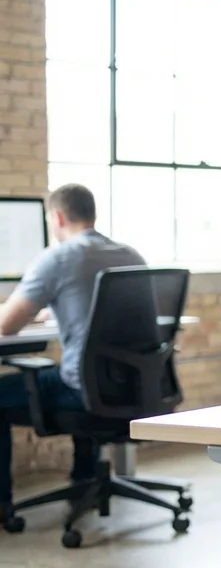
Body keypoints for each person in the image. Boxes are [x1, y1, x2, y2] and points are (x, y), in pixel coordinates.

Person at [0, 184, 146, 520]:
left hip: (83, 393)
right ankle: (84, 479)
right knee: (83, 370)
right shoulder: (131, 254)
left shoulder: (58, 258)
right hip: (134, 387)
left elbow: (8, 326)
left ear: (58, 217)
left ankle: (3, 503)